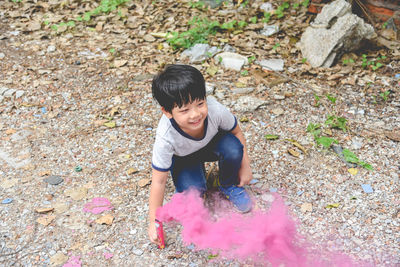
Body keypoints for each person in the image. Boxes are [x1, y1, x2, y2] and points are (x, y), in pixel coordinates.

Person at [148, 64, 253, 246]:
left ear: (205, 98)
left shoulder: (215, 111)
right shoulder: (165, 137)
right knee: (192, 195)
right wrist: (153, 221)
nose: (196, 114)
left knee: (233, 148)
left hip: (211, 144)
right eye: (184, 110)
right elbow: (159, 181)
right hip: (183, 158)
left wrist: (245, 167)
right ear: (167, 112)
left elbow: (237, 132)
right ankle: (198, 185)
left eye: (200, 104)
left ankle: (227, 184)